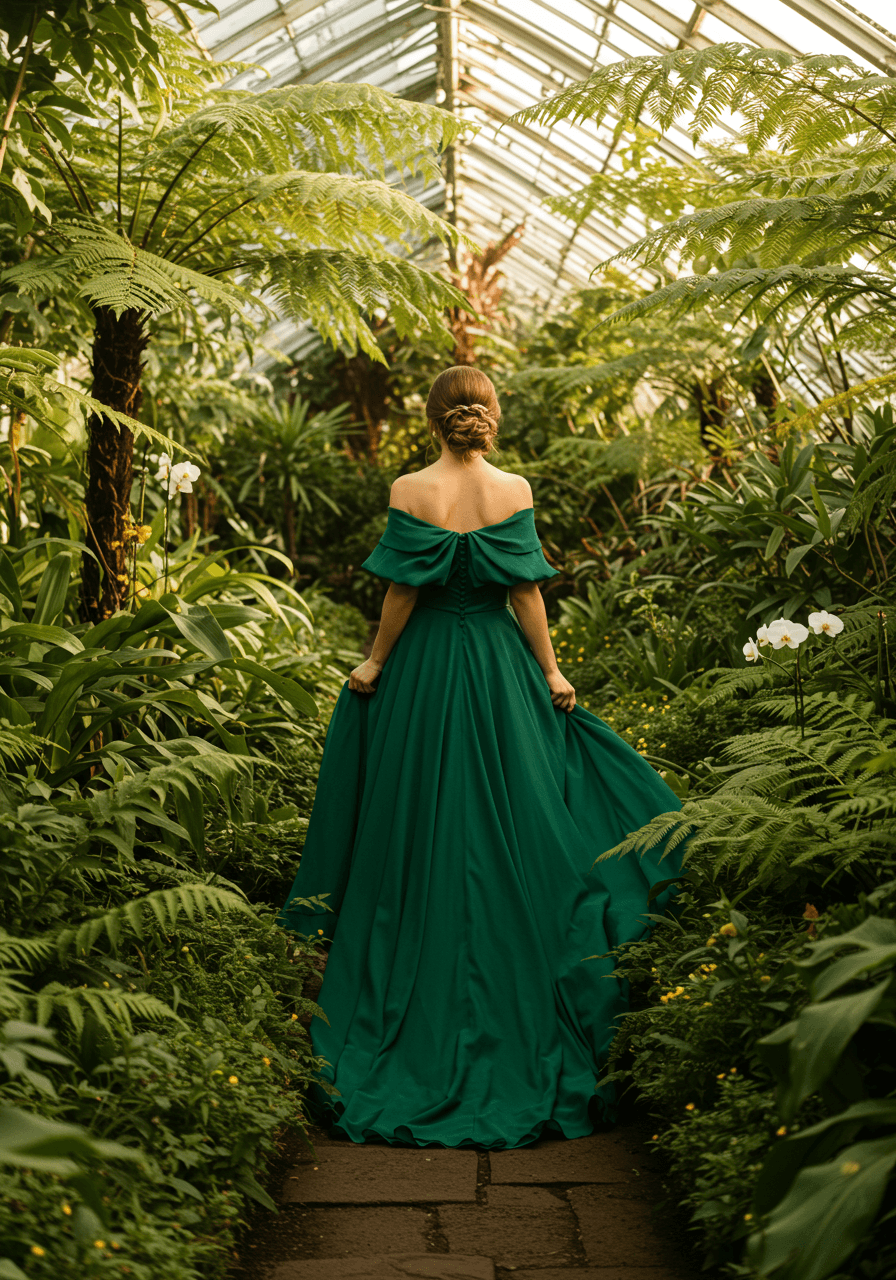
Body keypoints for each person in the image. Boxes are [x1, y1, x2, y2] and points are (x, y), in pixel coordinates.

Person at [279, 365, 683, 1149]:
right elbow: (526, 594)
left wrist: (374, 662)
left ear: (432, 419)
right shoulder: (514, 489)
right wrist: (552, 672)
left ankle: (412, 993)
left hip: (425, 672)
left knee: (417, 825)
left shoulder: (410, 488)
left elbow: (402, 594)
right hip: (499, 670)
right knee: (526, 819)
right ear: (490, 417)